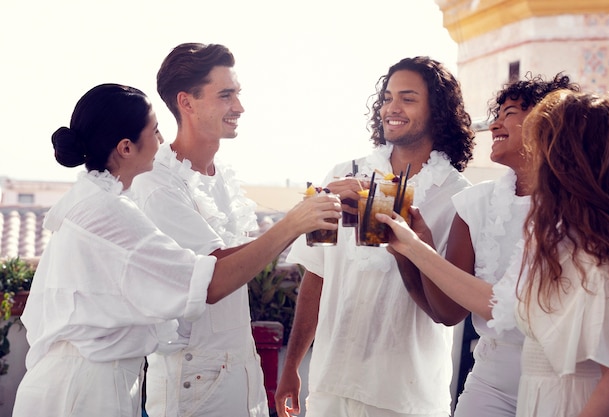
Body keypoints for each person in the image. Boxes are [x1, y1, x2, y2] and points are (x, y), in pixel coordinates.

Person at [12, 83, 341, 417]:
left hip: (76, 382)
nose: (160, 142)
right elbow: (209, 283)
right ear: (126, 147)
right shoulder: (109, 213)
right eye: (154, 131)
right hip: (84, 390)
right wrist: (293, 223)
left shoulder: (91, 203)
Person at [377, 90, 609, 417]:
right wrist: (411, 247)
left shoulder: (598, 244)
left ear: (570, 156)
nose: (535, 152)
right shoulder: (549, 233)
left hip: (572, 399)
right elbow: (503, 303)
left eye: (543, 139)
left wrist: (414, 248)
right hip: (525, 394)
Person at [275, 56, 475, 417]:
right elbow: (315, 277)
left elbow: (449, 307)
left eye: (408, 98)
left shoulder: (459, 196)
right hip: (330, 386)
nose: (391, 108)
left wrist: (410, 247)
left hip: (405, 396)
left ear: (438, 112)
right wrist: (291, 366)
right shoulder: (341, 175)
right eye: (386, 98)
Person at [401, 73, 578, 417]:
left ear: (547, 120)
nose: (495, 124)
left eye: (509, 113)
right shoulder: (473, 205)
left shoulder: (583, 209)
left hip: (568, 382)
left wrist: (415, 248)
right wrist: (414, 247)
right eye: (497, 114)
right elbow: (449, 312)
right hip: (491, 381)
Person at [130, 42, 279, 417]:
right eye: (226, 95)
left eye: (238, 94)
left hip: (242, 374)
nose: (240, 108)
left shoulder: (223, 178)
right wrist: (296, 222)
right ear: (187, 102)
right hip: (193, 382)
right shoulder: (157, 183)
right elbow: (212, 279)